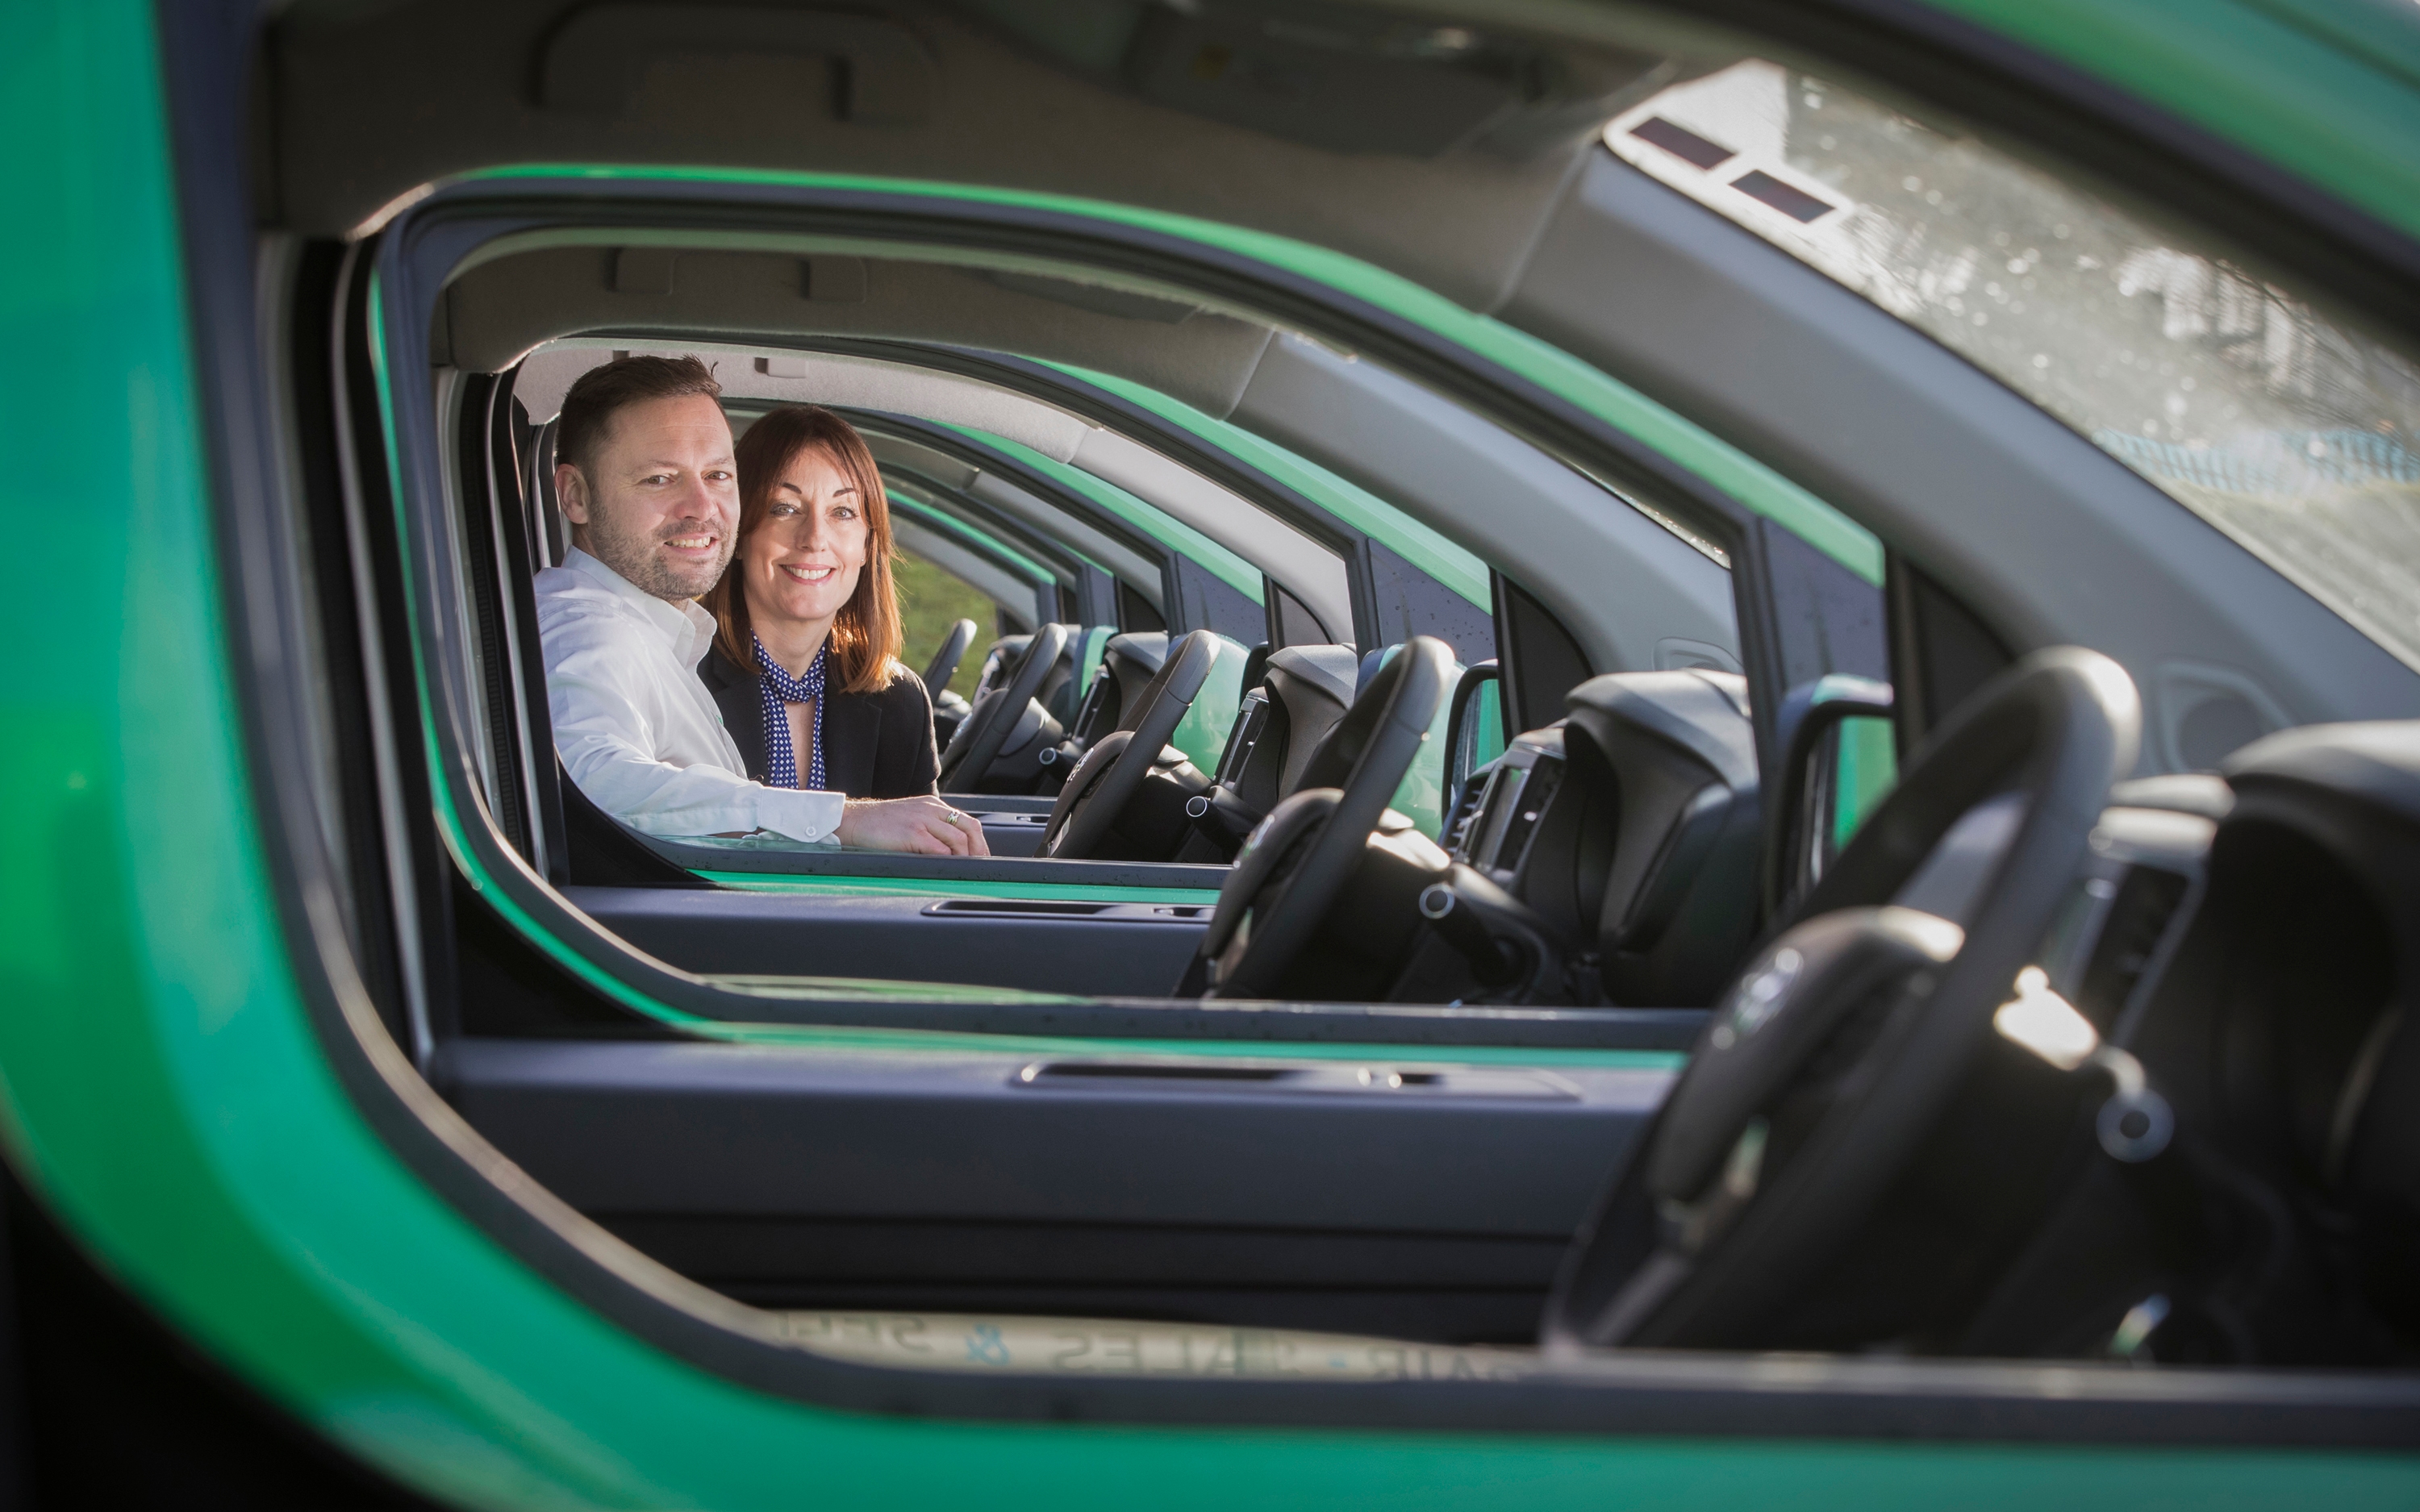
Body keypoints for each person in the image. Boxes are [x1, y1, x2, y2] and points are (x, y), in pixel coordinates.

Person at [533, 355, 986, 856]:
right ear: (575, 496)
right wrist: (843, 821)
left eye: (718, 476)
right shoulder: (588, 629)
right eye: (660, 478)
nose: (702, 507)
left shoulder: (667, 637)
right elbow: (588, 782)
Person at [697, 406, 940, 801]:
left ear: (866, 545)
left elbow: (915, 853)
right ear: (739, 533)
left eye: (842, 512)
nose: (814, 537)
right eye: (785, 508)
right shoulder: (682, 674)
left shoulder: (899, 701)